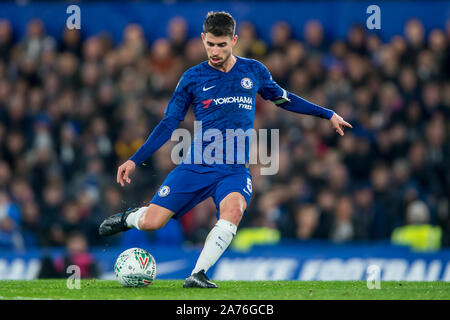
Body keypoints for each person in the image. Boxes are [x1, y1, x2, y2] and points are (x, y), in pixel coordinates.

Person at [98, 11, 352, 288]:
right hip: (197, 164)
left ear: (234, 40)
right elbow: (170, 123)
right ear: (202, 40)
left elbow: (285, 100)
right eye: (210, 44)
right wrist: (135, 160)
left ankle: (198, 274)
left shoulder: (254, 71)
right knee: (152, 222)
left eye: (222, 44)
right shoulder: (192, 78)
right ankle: (130, 217)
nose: (215, 51)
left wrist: (327, 114)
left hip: (233, 170)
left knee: (234, 210)